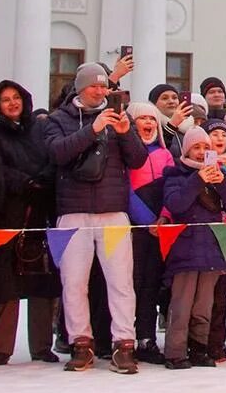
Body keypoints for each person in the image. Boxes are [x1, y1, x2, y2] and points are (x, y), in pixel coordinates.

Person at [42, 62, 148, 374]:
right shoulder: (59, 119)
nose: (100, 92)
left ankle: (123, 343)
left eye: (104, 87)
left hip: (113, 212)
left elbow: (139, 159)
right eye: (94, 86)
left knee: (120, 282)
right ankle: (80, 343)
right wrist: (93, 129)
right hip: (72, 214)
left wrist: (127, 134)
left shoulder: (120, 118)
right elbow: (57, 153)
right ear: (79, 87)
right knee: (74, 283)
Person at [0, 81, 61, 365]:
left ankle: (41, 346)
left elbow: (53, 156)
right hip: (9, 211)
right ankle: (2, 348)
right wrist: (24, 182)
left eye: (15, 98)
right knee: (7, 282)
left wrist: (44, 179)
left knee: (43, 280)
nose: (11, 103)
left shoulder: (40, 127)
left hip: (43, 207)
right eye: (4, 100)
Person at [159, 127, 226, 369]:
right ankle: (175, 352)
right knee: (181, 305)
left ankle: (199, 348)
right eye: (196, 147)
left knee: (204, 305)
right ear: (186, 150)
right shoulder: (176, 174)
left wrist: (223, 183)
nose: (201, 152)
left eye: (206, 148)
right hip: (184, 249)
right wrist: (198, 180)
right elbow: (176, 204)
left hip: (213, 248)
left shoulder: (220, 174)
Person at [123, 100, 174, 364]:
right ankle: (123, 338)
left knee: (152, 285)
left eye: (153, 119)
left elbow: (171, 187)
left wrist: (164, 216)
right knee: (133, 282)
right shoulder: (126, 155)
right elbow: (126, 190)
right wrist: (146, 221)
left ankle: (147, 337)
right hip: (136, 228)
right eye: (142, 118)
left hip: (159, 226)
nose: (148, 124)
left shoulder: (165, 154)